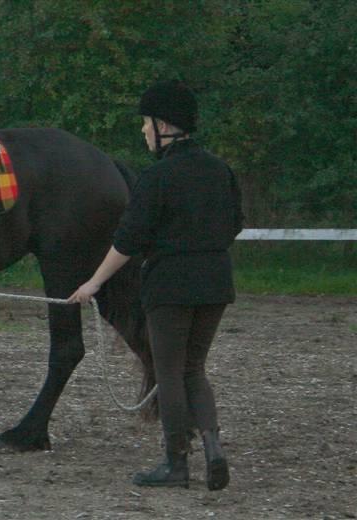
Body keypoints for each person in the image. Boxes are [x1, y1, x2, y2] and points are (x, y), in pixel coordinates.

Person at [68, 79, 244, 491]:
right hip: (216, 284)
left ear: (165, 126)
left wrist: (93, 283)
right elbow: (235, 223)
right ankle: (213, 447)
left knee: (168, 372)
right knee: (193, 368)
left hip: (170, 288)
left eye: (147, 123)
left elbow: (127, 240)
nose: (144, 131)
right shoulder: (221, 170)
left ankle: (176, 464)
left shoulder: (157, 177)